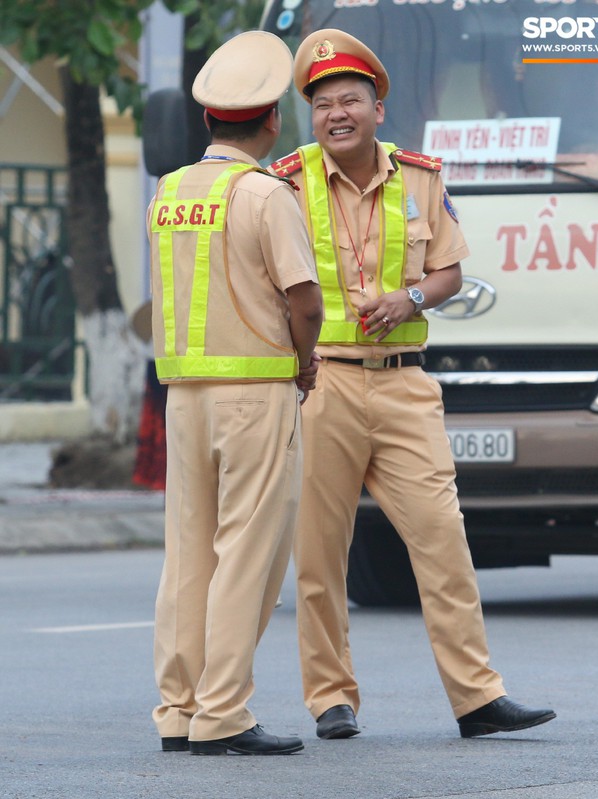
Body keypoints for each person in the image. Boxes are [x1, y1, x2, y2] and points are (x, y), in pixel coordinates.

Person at [270, 29, 556, 740]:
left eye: (351, 100)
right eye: (324, 103)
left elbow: (450, 272)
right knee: (319, 551)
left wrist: (411, 300)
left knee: (443, 538)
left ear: (377, 107)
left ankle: (477, 696)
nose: (337, 114)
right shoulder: (284, 184)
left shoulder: (421, 177)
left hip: (404, 384)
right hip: (321, 382)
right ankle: (331, 697)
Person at [148, 31, 323, 756]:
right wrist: (305, 360)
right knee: (247, 554)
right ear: (273, 119)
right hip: (255, 392)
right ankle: (224, 713)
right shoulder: (264, 194)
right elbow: (305, 300)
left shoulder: (168, 191)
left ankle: (178, 709)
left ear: (210, 118)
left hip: (184, 396)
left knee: (187, 556)